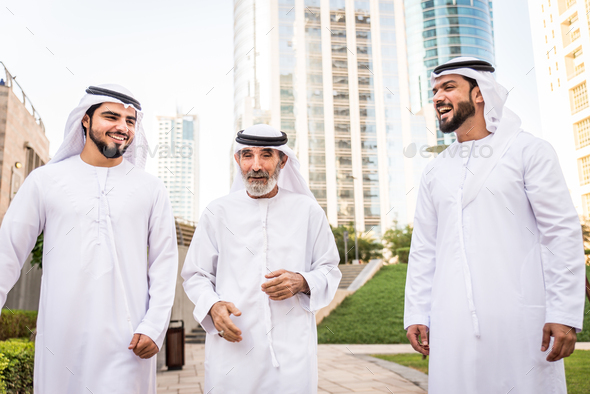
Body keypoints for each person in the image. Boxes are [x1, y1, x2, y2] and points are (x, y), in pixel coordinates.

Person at [404, 57, 585, 393]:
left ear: (479, 94)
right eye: (434, 91)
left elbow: (560, 233)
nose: (437, 97)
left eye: (448, 87)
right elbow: (424, 248)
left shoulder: (529, 151)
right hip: (451, 320)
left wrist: (564, 313)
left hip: (521, 318)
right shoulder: (434, 170)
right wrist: (417, 312)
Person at [0, 84, 178, 393]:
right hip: (61, 341)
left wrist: (154, 326)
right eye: (111, 117)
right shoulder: (45, 181)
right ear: (86, 119)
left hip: (129, 340)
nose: (122, 127)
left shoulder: (151, 189)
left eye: (130, 121)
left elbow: (164, 262)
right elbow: (8, 251)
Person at [182, 124, 341, 393]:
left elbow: (329, 269)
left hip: (291, 351)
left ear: (282, 160)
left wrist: (302, 281)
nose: (256, 165)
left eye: (266, 155)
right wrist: (213, 305)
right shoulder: (216, 212)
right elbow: (195, 274)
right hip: (233, 347)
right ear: (238, 160)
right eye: (247, 155)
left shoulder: (307, 210)